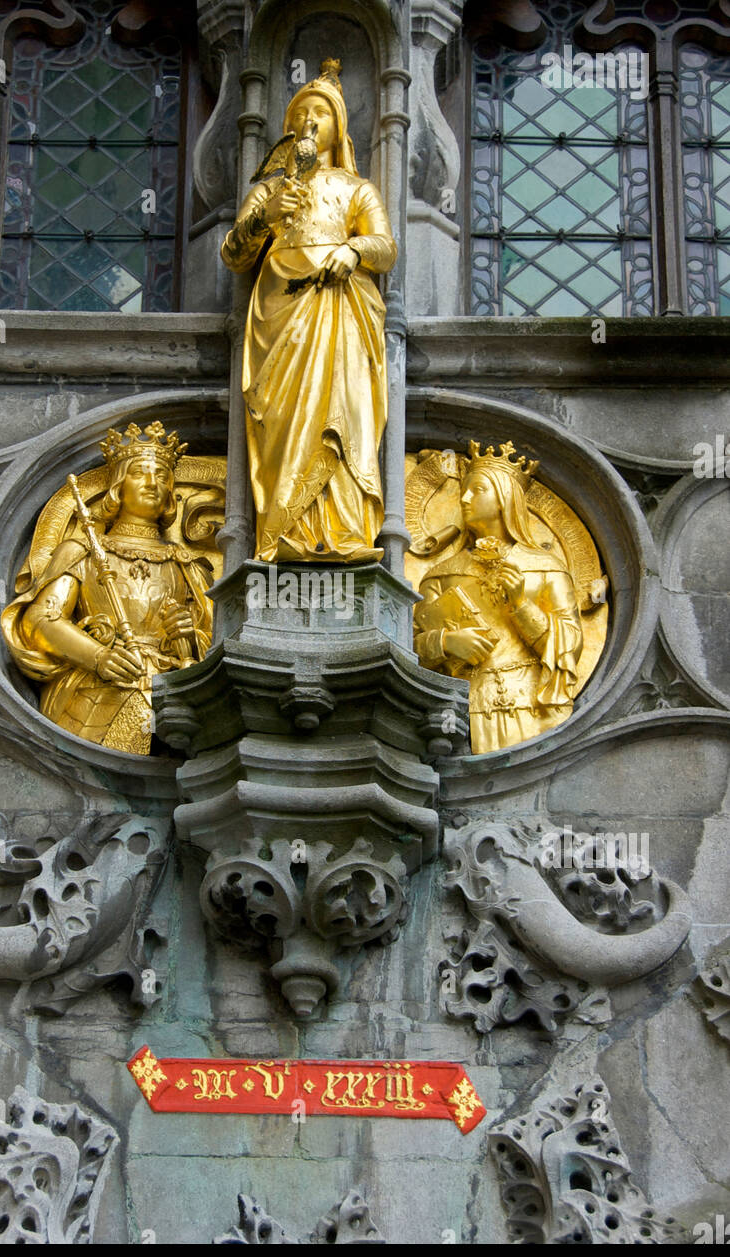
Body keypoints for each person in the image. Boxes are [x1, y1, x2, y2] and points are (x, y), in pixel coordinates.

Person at [221, 58, 397, 563]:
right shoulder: (270, 189)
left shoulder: (356, 188)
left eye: (321, 112)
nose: (309, 121)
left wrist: (355, 251)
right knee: (284, 420)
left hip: (340, 305)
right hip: (280, 312)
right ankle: (281, 535)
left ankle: (341, 533)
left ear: (338, 127)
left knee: (340, 411)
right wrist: (264, 219)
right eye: (301, 113)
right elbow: (235, 256)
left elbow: (386, 245)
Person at [2, 422, 213, 754]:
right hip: (98, 685)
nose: (152, 483)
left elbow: (214, 644)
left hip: (171, 690)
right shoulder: (83, 550)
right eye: (140, 473)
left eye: (161, 476)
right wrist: (98, 656)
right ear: (118, 485)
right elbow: (41, 620)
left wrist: (187, 641)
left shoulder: (186, 565)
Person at [414, 442, 583, 753]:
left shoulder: (545, 568)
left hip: (529, 704)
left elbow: (569, 645)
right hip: (460, 708)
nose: (464, 498)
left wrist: (522, 605)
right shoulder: (442, 573)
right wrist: (446, 642)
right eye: (464, 490)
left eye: (477, 490)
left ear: (505, 497)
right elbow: (411, 645)